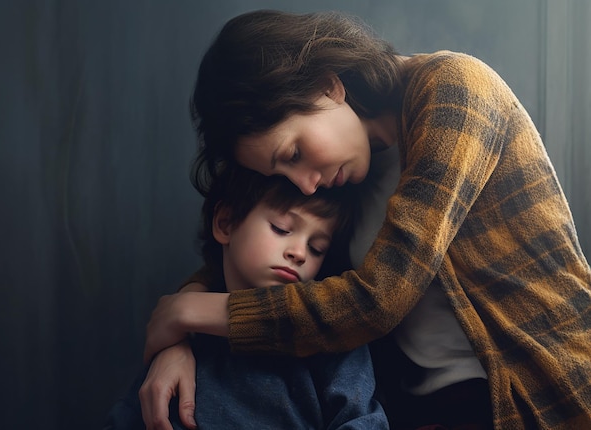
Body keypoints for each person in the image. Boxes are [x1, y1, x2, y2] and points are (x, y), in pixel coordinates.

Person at [141, 9, 591, 430]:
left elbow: (380, 299)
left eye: (294, 154)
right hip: (418, 407)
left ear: (327, 86)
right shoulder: (347, 167)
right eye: (281, 173)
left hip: (537, 395)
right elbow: (241, 250)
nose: (305, 185)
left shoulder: (454, 88)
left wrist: (190, 313)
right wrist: (179, 342)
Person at [104, 164, 388, 429]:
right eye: (281, 229)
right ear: (226, 223)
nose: (299, 253)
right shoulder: (184, 345)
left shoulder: (332, 336)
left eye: (316, 248)